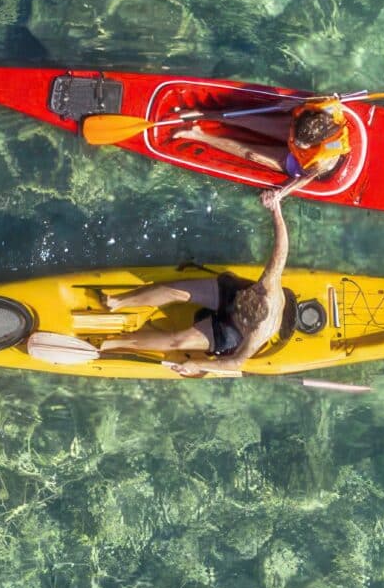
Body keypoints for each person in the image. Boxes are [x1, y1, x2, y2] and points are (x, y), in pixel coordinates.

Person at [97, 186, 293, 377]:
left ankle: (115, 343)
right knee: (175, 291)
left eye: (242, 305)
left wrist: (197, 365)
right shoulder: (267, 287)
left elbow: (235, 363)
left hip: (230, 329)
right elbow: (281, 250)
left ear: (251, 324)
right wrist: (276, 210)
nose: (241, 300)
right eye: (246, 296)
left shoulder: (257, 336)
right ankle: (117, 302)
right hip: (229, 294)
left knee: (178, 342)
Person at [170, 96, 353, 191]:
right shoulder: (326, 109)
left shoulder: (324, 158)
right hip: (301, 130)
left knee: (252, 154)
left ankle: (196, 134)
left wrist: (280, 194)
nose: (296, 143)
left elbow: (305, 179)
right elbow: (315, 102)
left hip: (300, 163)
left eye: (301, 143)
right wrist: (295, 103)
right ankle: (203, 114)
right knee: (254, 120)